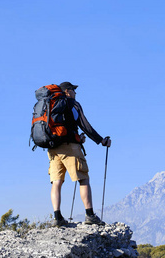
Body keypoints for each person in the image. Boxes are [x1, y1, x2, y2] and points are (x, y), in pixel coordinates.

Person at [48, 81, 111, 226]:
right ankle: (90, 215)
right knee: (83, 178)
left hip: (52, 148)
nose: (75, 93)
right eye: (74, 91)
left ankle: (57, 218)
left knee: (57, 182)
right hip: (70, 148)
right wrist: (101, 140)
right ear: (68, 91)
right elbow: (85, 125)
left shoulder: (50, 105)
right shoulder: (73, 104)